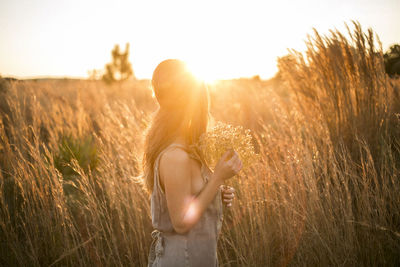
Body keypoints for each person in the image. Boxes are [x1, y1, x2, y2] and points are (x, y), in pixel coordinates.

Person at [142, 59, 243, 267]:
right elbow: (180, 222)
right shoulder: (175, 157)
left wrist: (217, 193)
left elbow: (192, 200)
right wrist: (216, 179)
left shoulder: (190, 149)